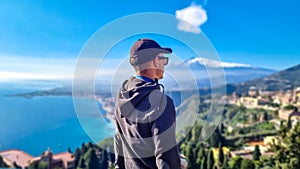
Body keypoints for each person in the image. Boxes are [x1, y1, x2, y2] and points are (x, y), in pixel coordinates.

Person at [114, 38, 181, 169]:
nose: (164, 64)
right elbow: (167, 158)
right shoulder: (161, 103)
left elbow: (118, 141)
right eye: (163, 59)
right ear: (155, 61)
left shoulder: (121, 97)